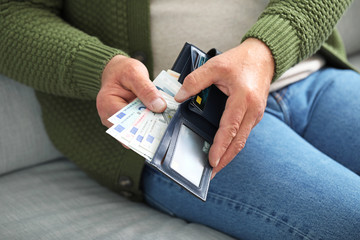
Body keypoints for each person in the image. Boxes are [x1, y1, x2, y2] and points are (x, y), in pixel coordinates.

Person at [1, 0, 359, 239]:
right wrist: (98, 67)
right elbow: (10, 13)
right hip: (173, 122)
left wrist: (266, 52)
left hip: (310, 75)